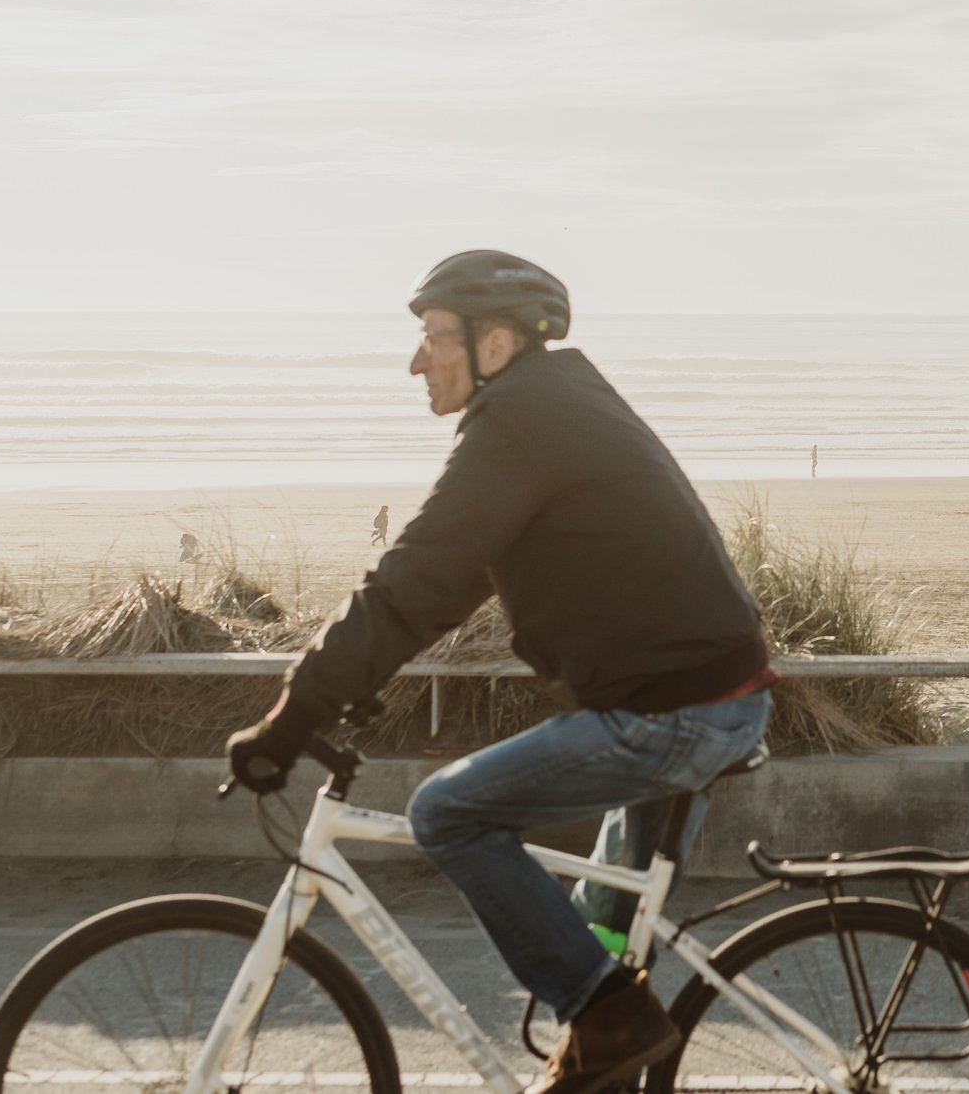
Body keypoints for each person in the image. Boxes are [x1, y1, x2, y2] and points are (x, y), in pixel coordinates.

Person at [225, 251, 773, 1094]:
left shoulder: (519, 421)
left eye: (431, 337)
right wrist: (361, 679)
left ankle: (607, 1018)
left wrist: (296, 713)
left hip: (673, 712)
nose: (416, 359)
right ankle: (604, 1039)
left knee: (447, 812)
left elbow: (412, 577)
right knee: (597, 943)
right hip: (701, 696)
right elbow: (442, 586)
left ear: (497, 341)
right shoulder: (555, 406)